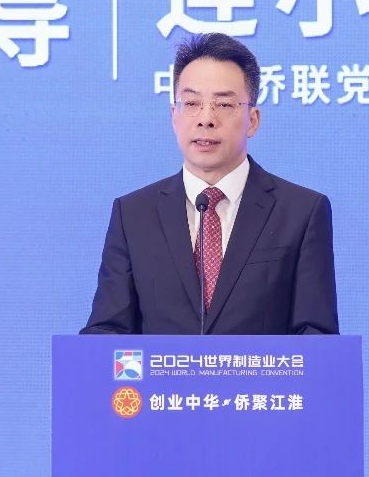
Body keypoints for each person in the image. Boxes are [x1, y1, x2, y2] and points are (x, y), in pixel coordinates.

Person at [81, 33, 338, 335]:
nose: (206, 119)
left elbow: (317, 338)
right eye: (191, 103)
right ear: (174, 116)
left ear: (253, 120)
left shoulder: (301, 212)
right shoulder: (134, 214)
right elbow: (106, 331)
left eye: (224, 104)